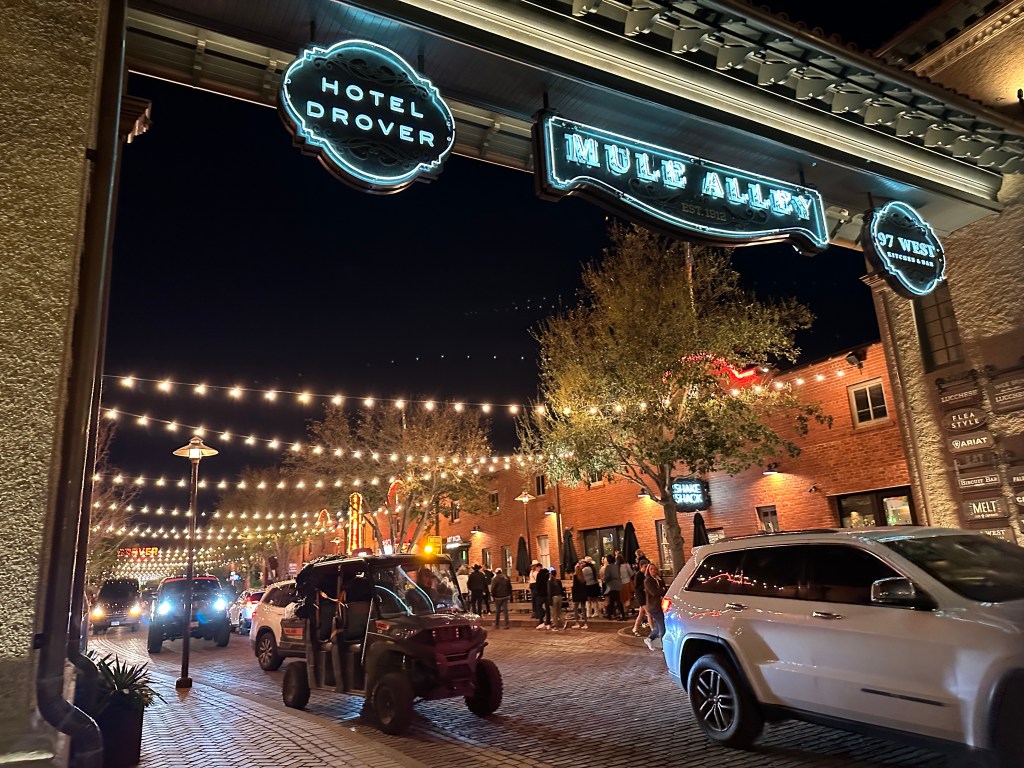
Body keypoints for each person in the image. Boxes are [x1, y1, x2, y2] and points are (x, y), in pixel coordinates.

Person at [643, 561, 668, 651]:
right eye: (651, 569)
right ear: (648, 571)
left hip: (661, 605)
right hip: (653, 606)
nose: (653, 571)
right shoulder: (648, 580)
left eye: (654, 569)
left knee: (659, 624)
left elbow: (665, 589)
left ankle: (649, 638)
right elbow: (654, 592)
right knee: (662, 625)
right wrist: (662, 590)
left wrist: (662, 589)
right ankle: (664, 646)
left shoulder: (659, 579)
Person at [603, 554, 626, 620]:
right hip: (618, 584)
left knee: (616, 600)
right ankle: (610, 614)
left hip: (611, 585)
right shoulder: (616, 566)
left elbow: (607, 576)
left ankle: (620, 615)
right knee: (613, 600)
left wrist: (605, 580)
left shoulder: (608, 567)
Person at [632, 557, 650, 636]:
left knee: (641, 613)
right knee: (649, 613)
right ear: (641, 566)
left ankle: (635, 628)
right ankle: (653, 629)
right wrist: (644, 587)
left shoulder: (646, 575)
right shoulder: (638, 575)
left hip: (645, 596)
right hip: (641, 596)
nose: (646, 568)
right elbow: (636, 587)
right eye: (645, 566)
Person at [570, 561, 589, 629]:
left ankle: (577, 622)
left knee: (575, 608)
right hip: (583, 593)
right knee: (583, 608)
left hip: (577, 594)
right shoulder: (582, 577)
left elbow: (575, 586)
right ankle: (585, 623)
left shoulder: (575, 576)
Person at [534, 563, 551, 629]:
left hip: (540, 594)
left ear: (539, 567)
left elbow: (538, 584)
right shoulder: (548, 574)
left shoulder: (539, 574)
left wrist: (537, 591)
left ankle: (541, 621)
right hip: (547, 594)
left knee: (539, 607)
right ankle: (548, 623)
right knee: (548, 609)